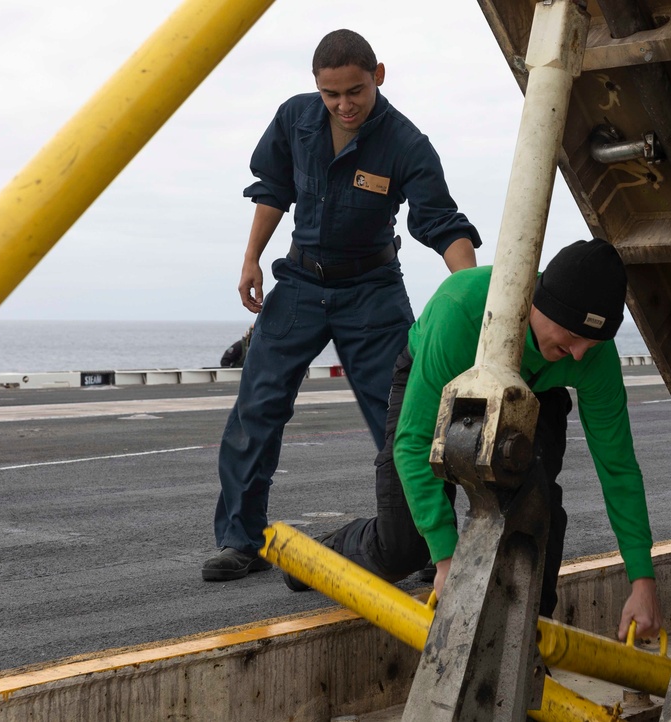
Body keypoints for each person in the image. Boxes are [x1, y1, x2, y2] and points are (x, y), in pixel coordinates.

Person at [203, 29, 481, 581]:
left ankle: (430, 542)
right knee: (255, 410)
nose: (344, 105)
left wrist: (472, 295)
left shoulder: (407, 143)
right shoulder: (294, 118)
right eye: (332, 95)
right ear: (316, 87)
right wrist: (251, 259)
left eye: (355, 90)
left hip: (372, 291)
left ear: (378, 74)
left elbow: (441, 222)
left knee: (407, 419)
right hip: (301, 282)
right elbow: (272, 189)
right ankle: (242, 539)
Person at [320, 239, 662, 641]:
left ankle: (527, 651)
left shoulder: (586, 353)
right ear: (538, 303)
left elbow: (617, 465)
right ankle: (327, 551)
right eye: (571, 335)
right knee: (404, 547)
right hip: (446, 376)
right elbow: (412, 445)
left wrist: (643, 580)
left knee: (538, 508)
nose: (580, 354)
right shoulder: (462, 308)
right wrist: (446, 558)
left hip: (534, 389)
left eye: (593, 342)